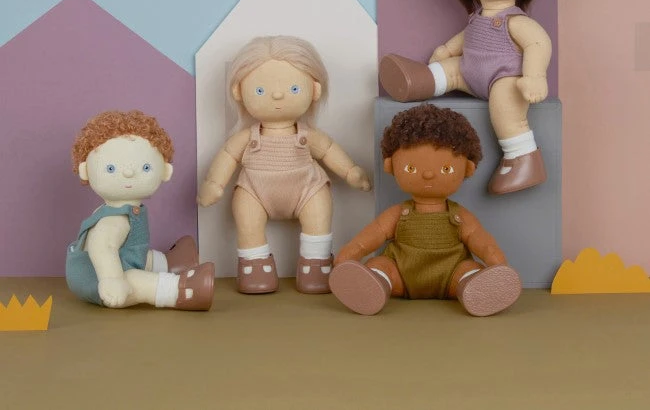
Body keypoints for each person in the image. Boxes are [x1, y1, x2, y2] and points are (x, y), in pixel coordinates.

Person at [379, 0, 551, 194]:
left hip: (504, 78)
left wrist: (534, 76)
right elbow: (466, 38)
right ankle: (419, 81)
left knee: (505, 107)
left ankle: (522, 158)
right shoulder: (478, 17)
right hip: (470, 72)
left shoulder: (516, 21)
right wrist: (447, 50)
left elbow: (538, 43)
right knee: (452, 69)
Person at [198, 36, 371, 294]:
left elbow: (328, 150)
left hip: (306, 188)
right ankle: (255, 269)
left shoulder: (307, 135)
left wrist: (350, 172)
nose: (277, 95)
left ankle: (316, 267)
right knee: (247, 218)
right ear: (239, 92)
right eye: (260, 91)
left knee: (318, 211)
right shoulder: (247, 137)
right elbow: (228, 156)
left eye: (294, 89)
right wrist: (214, 183)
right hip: (255, 190)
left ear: (315, 90)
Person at [329, 104, 521, 316]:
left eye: (445, 169)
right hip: (400, 273)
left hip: (452, 273)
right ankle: (373, 286)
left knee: (470, 271)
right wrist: (349, 255)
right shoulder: (398, 213)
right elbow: (373, 234)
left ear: (468, 168)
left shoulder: (458, 216)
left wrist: (498, 263)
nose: (428, 175)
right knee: (380, 266)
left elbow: (480, 240)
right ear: (390, 165)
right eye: (411, 168)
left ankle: (476, 290)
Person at [66, 110, 214, 310]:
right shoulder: (114, 220)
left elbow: (129, 250)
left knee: (137, 254)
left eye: (145, 168)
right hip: (96, 276)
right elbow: (102, 248)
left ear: (165, 171)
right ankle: (180, 290)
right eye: (111, 169)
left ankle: (169, 264)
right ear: (85, 171)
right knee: (134, 280)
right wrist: (112, 280)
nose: (128, 173)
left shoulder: (127, 210)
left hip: (120, 260)